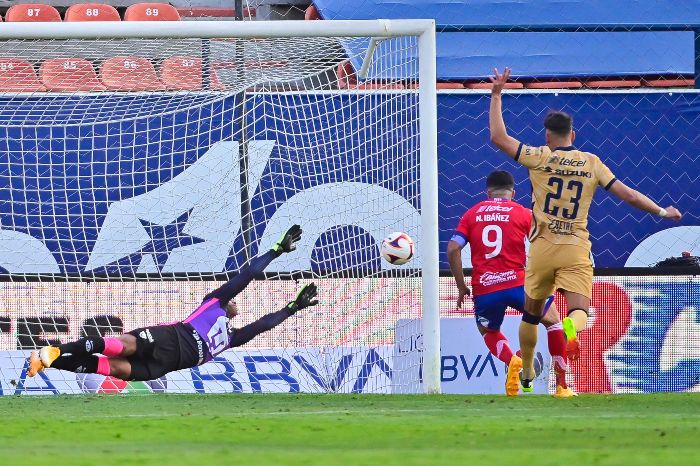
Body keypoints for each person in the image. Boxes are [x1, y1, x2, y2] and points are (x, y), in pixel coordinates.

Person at [488, 67, 683, 390]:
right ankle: (569, 327)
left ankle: (526, 373)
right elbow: (628, 194)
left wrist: (496, 95)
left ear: (548, 136)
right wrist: (662, 211)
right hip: (576, 246)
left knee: (532, 316)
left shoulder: (538, 157)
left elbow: (498, 137)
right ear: (573, 136)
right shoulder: (591, 163)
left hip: (541, 249)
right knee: (579, 310)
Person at [28, 225, 319, 382]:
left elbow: (261, 326)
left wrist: (292, 308)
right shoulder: (215, 302)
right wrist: (276, 251)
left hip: (164, 366)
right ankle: (56, 350)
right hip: (169, 338)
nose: (237, 309)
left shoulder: (231, 338)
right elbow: (249, 274)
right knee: (120, 346)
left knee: (109, 369)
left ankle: (48, 363)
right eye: (235, 304)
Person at [447, 170, 574, 397]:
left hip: (485, 288)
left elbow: (453, 248)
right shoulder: (523, 213)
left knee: (488, 330)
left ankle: (512, 360)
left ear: (488, 193)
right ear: (513, 193)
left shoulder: (472, 214)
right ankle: (562, 387)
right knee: (554, 323)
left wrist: (461, 286)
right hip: (519, 284)